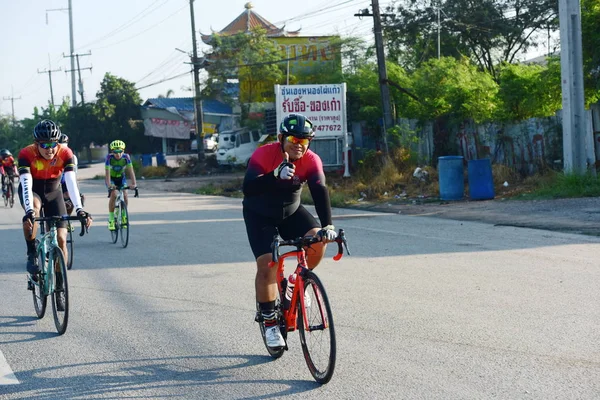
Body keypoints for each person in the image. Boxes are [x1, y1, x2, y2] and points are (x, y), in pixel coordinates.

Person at [242, 113, 337, 349]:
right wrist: (274, 175)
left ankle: (301, 281)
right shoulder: (264, 154)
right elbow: (248, 188)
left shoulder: (312, 160)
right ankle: (270, 322)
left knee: (317, 240)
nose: (298, 146)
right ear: (281, 138)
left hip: (290, 212)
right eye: (293, 140)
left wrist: (328, 226)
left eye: (304, 141)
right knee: (268, 266)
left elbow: (319, 189)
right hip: (259, 214)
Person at [18, 119, 92, 280]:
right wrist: (29, 210)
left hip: (54, 191)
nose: (49, 149)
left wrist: (79, 208)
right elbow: (25, 182)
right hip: (33, 189)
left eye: (53, 144)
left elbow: (71, 181)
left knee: (61, 239)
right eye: (44, 145)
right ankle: (31, 252)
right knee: (34, 210)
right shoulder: (26, 153)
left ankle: (59, 281)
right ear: (36, 143)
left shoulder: (65, 153)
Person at [104, 140, 137, 231]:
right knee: (114, 195)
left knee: (125, 195)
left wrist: (134, 184)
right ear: (112, 152)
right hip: (112, 179)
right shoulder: (109, 158)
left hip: (121, 178)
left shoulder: (126, 157)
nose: (118, 154)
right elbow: (107, 173)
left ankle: (123, 215)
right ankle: (111, 219)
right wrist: (110, 185)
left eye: (120, 152)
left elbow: (131, 171)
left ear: (123, 151)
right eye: (115, 152)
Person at [58, 134, 83, 217]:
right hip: (55, 181)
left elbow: (73, 176)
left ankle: (67, 217)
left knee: (71, 196)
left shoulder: (72, 157)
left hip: (65, 180)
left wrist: (76, 193)